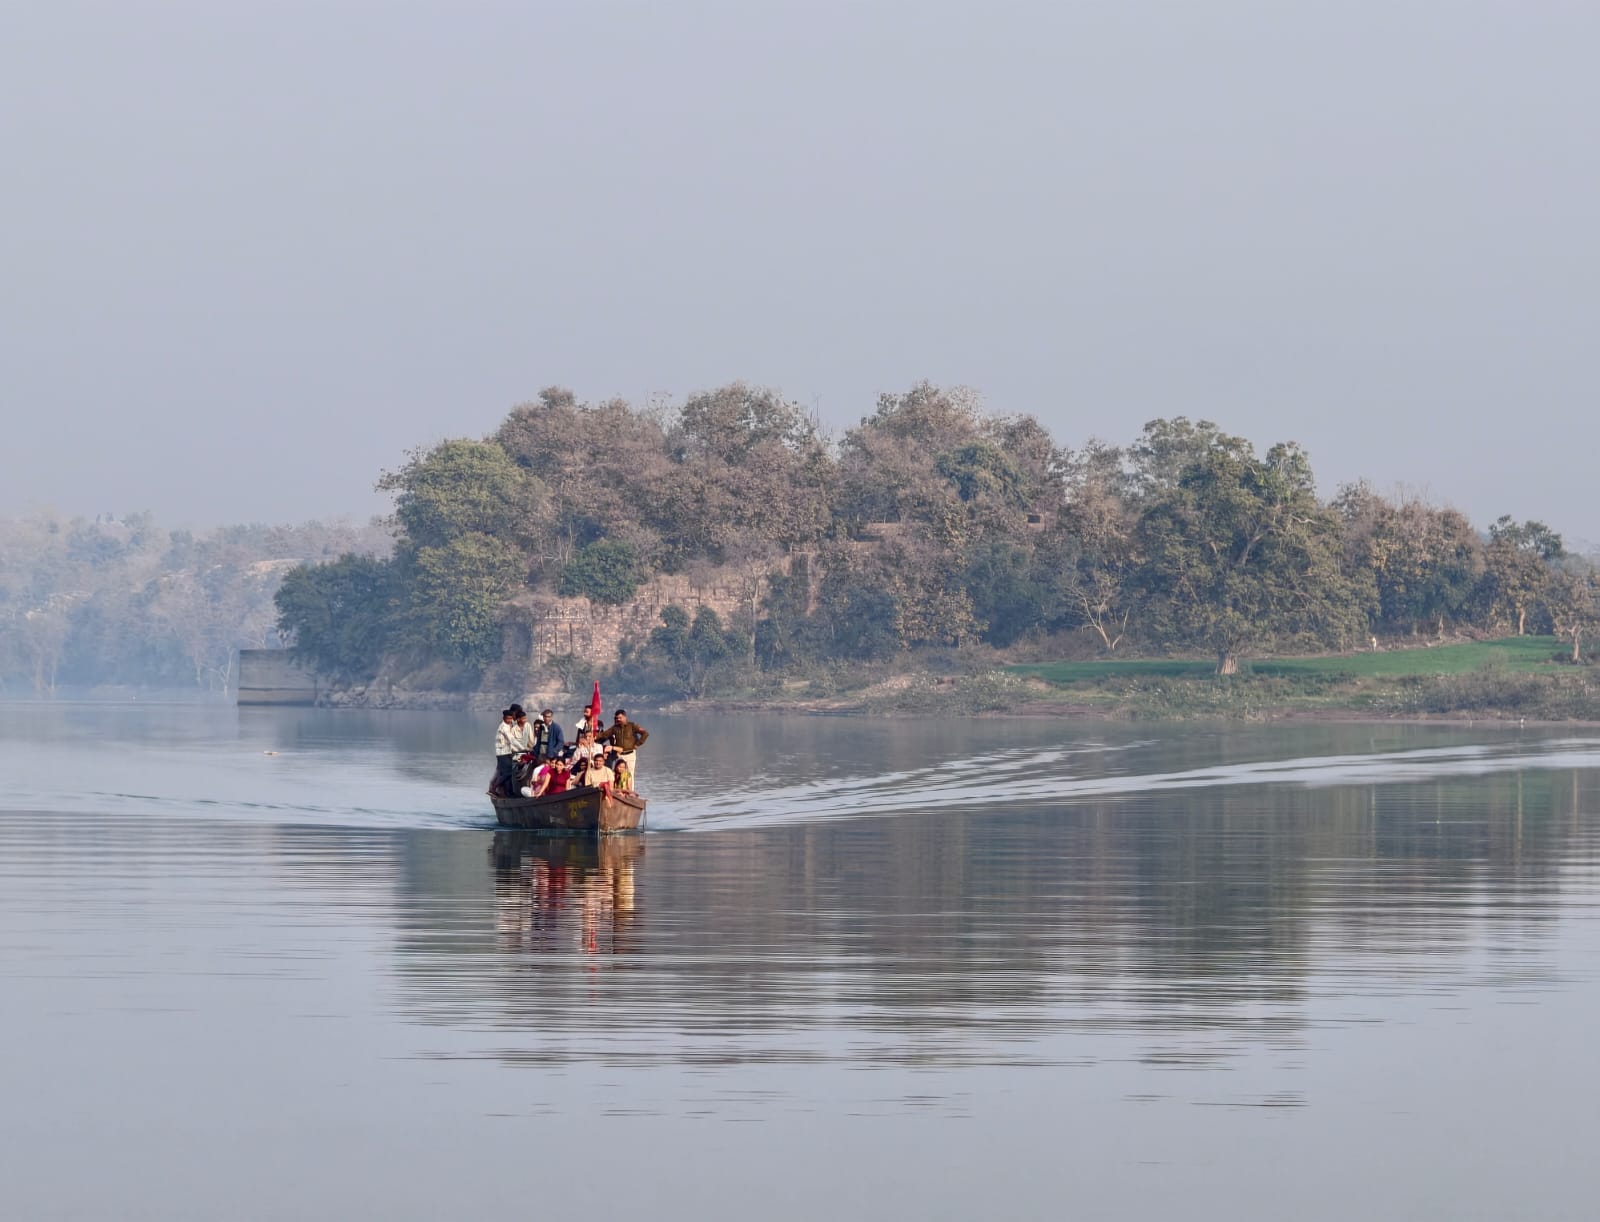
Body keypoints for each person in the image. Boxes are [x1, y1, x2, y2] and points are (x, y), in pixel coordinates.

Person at [597, 709, 649, 785]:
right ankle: (617, 790)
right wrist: (594, 737)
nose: (618, 719)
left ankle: (630, 792)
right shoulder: (615, 728)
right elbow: (604, 734)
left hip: (630, 754)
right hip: (619, 754)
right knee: (617, 773)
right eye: (617, 718)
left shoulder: (632, 726)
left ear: (625, 717)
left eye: (620, 718)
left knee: (630, 774)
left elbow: (645, 733)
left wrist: (638, 744)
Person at [493, 708, 519, 797]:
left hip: (506, 752)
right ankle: (494, 787)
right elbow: (512, 740)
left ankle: (509, 793)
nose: (509, 720)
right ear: (504, 718)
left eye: (510, 718)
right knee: (508, 773)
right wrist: (522, 748)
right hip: (502, 753)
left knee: (508, 774)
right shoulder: (504, 727)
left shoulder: (508, 725)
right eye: (507, 718)